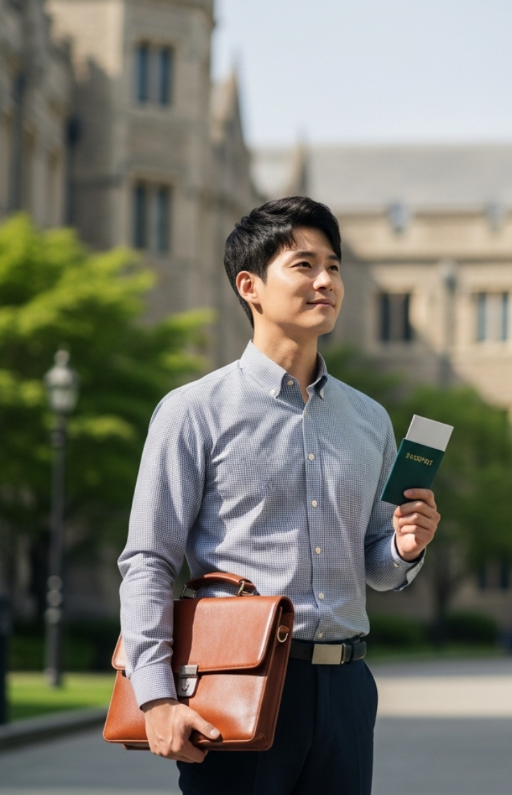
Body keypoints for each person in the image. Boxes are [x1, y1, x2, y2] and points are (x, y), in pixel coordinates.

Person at [118, 196, 441, 795]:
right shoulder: (193, 412)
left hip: (346, 690)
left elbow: (375, 565)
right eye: (305, 265)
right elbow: (148, 561)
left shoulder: (369, 419)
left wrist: (403, 547)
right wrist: (157, 697)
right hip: (235, 684)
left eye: (336, 266)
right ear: (251, 286)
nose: (327, 281)